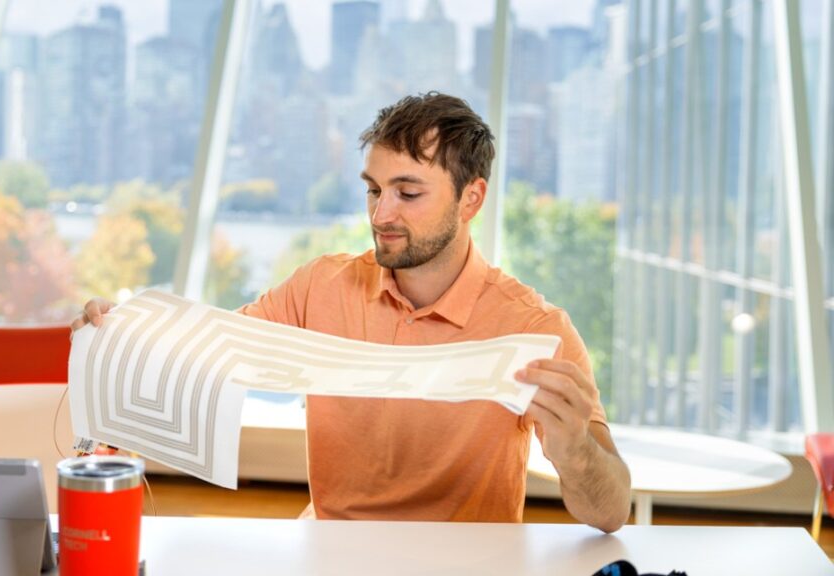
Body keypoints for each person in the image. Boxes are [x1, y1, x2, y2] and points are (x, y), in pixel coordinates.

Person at [72, 92, 631, 532]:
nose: (381, 213)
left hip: (465, 563)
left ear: (471, 199)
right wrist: (124, 333)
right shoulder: (323, 286)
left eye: (407, 193)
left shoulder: (535, 328)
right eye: (373, 189)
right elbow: (212, 347)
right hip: (329, 552)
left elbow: (609, 513)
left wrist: (575, 449)